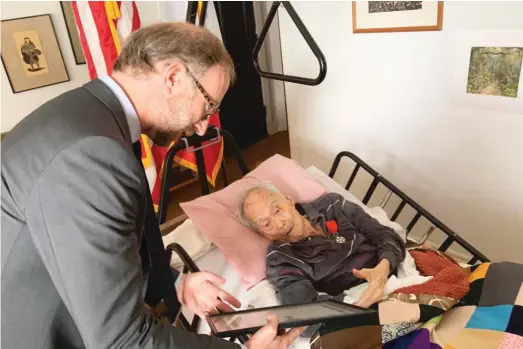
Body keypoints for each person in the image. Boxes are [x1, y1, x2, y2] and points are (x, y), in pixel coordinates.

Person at [1, 23, 303, 349]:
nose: (203, 128)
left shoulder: (88, 114)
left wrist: (174, 281)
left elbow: (88, 254)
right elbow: (123, 341)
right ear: (173, 77)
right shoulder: (90, 154)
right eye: (208, 106)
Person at [237, 182, 407, 307]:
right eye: (266, 224)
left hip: (396, 271)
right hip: (364, 302)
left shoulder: (332, 205)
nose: (278, 222)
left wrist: (383, 268)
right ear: (262, 233)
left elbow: (385, 235)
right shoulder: (281, 260)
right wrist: (360, 304)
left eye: (276, 210)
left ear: (288, 200)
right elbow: (306, 311)